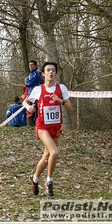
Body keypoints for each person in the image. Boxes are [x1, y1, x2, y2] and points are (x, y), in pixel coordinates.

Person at [22, 61, 73, 196]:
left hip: (56, 127)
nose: (51, 72)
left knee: (46, 157)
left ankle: (34, 178)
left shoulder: (61, 88)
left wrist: (60, 101)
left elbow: (70, 108)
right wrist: (29, 107)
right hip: (42, 126)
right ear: (43, 74)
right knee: (54, 152)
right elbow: (25, 102)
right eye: (48, 70)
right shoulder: (38, 89)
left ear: (55, 73)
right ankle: (49, 181)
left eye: (53, 70)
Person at [25, 60, 42, 126]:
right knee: (32, 110)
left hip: (36, 94)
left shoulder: (36, 73)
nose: (30, 66)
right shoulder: (30, 74)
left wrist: (27, 81)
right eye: (29, 65)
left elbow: (30, 83)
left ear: (35, 66)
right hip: (30, 94)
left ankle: (38, 124)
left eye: (32, 65)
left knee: (36, 109)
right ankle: (36, 124)